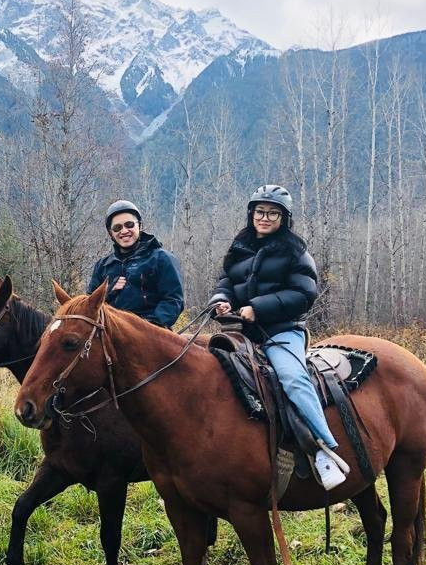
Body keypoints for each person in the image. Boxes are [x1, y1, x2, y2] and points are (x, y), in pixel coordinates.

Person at [208, 185, 349, 490]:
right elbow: (225, 282)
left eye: (273, 213)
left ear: (284, 218)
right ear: (252, 214)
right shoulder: (240, 247)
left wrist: (257, 309)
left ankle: (325, 451)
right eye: (260, 211)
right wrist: (221, 300)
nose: (265, 217)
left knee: (292, 378)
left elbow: (304, 292)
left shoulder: (295, 250)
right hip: (238, 334)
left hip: (281, 332)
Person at [87, 200, 185, 328]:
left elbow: (173, 300)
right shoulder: (103, 266)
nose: (124, 231)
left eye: (129, 224)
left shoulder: (161, 259)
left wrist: (149, 326)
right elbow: (89, 305)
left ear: (140, 226)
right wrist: (109, 291)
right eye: (117, 228)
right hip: (109, 335)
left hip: (152, 333)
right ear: (111, 233)